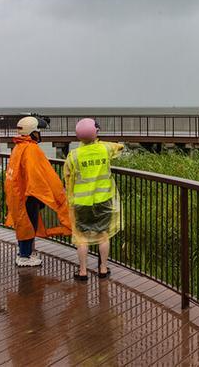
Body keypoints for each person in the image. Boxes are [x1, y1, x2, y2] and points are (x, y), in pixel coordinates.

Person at [5, 116, 72, 267]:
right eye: (37, 131)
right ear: (32, 133)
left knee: (23, 224)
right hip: (29, 195)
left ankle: (24, 252)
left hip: (18, 193)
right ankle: (24, 256)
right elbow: (38, 175)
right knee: (29, 225)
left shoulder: (18, 147)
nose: (39, 134)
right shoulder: (31, 149)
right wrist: (52, 192)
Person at [63, 118, 123, 281]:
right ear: (95, 133)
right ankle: (103, 268)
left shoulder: (74, 155)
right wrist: (98, 141)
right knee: (103, 235)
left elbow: (67, 175)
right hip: (103, 200)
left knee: (81, 238)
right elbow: (120, 147)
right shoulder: (104, 149)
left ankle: (82, 271)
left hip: (82, 202)